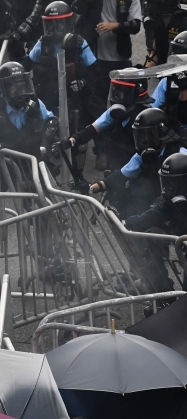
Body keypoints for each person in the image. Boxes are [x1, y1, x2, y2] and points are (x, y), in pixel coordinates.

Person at [0, 62, 56, 221]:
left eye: (23, 85)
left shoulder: (35, 104)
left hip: (29, 167)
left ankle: (45, 246)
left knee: (45, 214)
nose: (21, 92)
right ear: (5, 89)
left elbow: (52, 121)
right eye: (15, 87)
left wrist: (45, 143)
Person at [72, 0, 141, 121]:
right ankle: (99, 145)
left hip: (121, 60)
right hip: (96, 60)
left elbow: (135, 26)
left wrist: (114, 26)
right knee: (95, 104)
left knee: (124, 106)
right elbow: (77, 8)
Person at [90, 107, 183, 220]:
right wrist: (93, 187)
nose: (143, 141)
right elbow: (121, 175)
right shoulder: (143, 155)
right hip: (155, 201)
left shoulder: (181, 155)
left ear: (161, 133)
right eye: (140, 136)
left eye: (148, 135)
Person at [55, 75, 152, 171]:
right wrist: (72, 140)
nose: (116, 96)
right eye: (115, 91)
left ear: (135, 94)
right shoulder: (115, 112)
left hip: (136, 173)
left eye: (121, 92)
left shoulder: (146, 119)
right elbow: (92, 129)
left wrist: (103, 184)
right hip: (115, 169)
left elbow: (140, 160)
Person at [122, 152, 187, 294]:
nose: (169, 188)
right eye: (167, 182)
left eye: (174, 184)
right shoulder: (171, 202)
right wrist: (127, 223)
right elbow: (153, 215)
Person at [27, 1, 96, 135]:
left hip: (74, 97)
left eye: (58, 25)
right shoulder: (42, 43)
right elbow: (27, 63)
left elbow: (94, 71)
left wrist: (82, 82)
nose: (54, 31)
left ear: (68, 24)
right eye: (50, 26)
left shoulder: (79, 43)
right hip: (47, 96)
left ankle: (99, 151)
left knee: (93, 111)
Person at [142, 0, 187, 67]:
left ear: (164, 5)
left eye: (152, 4)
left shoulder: (184, 26)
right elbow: (154, 55)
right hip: (164, 74)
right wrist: (142, 76)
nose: (149, 8)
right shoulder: (160, 24)